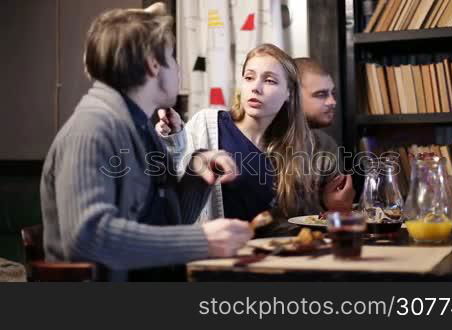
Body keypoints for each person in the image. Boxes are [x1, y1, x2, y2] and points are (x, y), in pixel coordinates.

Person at [40, 4, 253, 281]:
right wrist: (201, 240)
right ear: (154, 64)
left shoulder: (139, 127)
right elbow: (88, 238)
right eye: (172, 58)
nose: (178, 69)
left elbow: (168, 222)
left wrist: (197, 170)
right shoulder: (92, 130)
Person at [156, 44, 354, 235]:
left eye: (269, 81)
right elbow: (174, 188)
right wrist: (174, 139)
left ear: (289, 93)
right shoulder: (209, 123)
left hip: (272, 257)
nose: (256, 88)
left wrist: (336, 207)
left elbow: (298, 222)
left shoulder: (298, 145)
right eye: (249, 77)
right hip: (220, 258)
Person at [294, 57, 354, 210]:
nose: (332, 101)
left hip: (320, 234)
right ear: (292, 97)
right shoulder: (261, 144)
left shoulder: (327, 145)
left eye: (332, 93)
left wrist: (338, 207)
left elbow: (336, 211)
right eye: (321, 94)